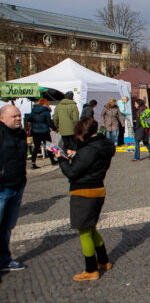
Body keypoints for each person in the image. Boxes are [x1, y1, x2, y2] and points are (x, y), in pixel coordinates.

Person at [59, 118, 116, 281]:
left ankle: (91, 269)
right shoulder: (102, 145)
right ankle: (104, 261)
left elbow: (72, 172)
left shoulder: (88, 149)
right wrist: (76, 155)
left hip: (84, 191)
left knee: (84, 231)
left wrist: (61, 159)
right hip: (98, 188)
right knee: (91, 228)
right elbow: (88, 162)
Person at [0, 105, 27, 272]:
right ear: (2, 118)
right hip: (2, 188)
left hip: (17, 185)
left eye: (19, 115)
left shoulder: (21, 134)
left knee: (7, 226)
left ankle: (4, 259)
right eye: (14, 116)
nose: (18, 118)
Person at [28, 98, 57, 169]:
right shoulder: (46, 111)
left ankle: (33, 163)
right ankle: (52, 161)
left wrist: (34, 121)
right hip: (44, 131)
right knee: (48, 146)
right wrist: (55, 128)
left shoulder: (33, 110)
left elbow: (28, 118)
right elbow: (49, 122)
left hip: (35, 131)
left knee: (36, 147)